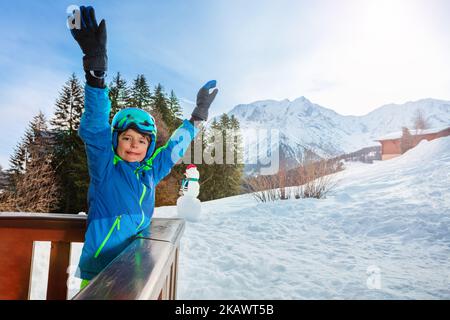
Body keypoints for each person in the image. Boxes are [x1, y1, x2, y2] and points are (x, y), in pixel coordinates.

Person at [69, 6, 218, 289]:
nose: (134, 145)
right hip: (97, 274)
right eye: (127, 138)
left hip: (134, 269)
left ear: (149, 146)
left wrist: (197, 118)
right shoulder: (105, 169)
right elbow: (96, 128)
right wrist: (96, 76)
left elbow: (173, 149)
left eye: (142, 140)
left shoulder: (149, 173)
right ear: (116, 142)